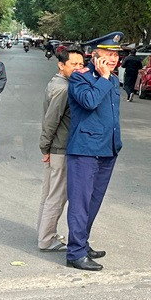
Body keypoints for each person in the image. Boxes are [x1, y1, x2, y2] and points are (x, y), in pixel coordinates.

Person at [65, 32, 124, 271]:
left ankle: (82, 242)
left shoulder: (112, 80)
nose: (113, 59)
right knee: (80, 202)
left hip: (107, 149)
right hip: (84, 150)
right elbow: (89, 102)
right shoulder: (80, 78)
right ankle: (75, 253)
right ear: (95, 56)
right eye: (108, 55)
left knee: (94, 201)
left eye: (116, 55)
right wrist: (103, 78)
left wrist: (116, 142)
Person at [36, 48, 85, 252]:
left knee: (48, 193)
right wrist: (45, 146)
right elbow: (51, 120)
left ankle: (44, 232)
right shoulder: (64, 88)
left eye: (81, 64)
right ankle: (47, 240)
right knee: (57, 196)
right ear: (61, 65)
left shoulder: (56, 82)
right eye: (73, 64)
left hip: (55, 146)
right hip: (60, 148)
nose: (78, 68)